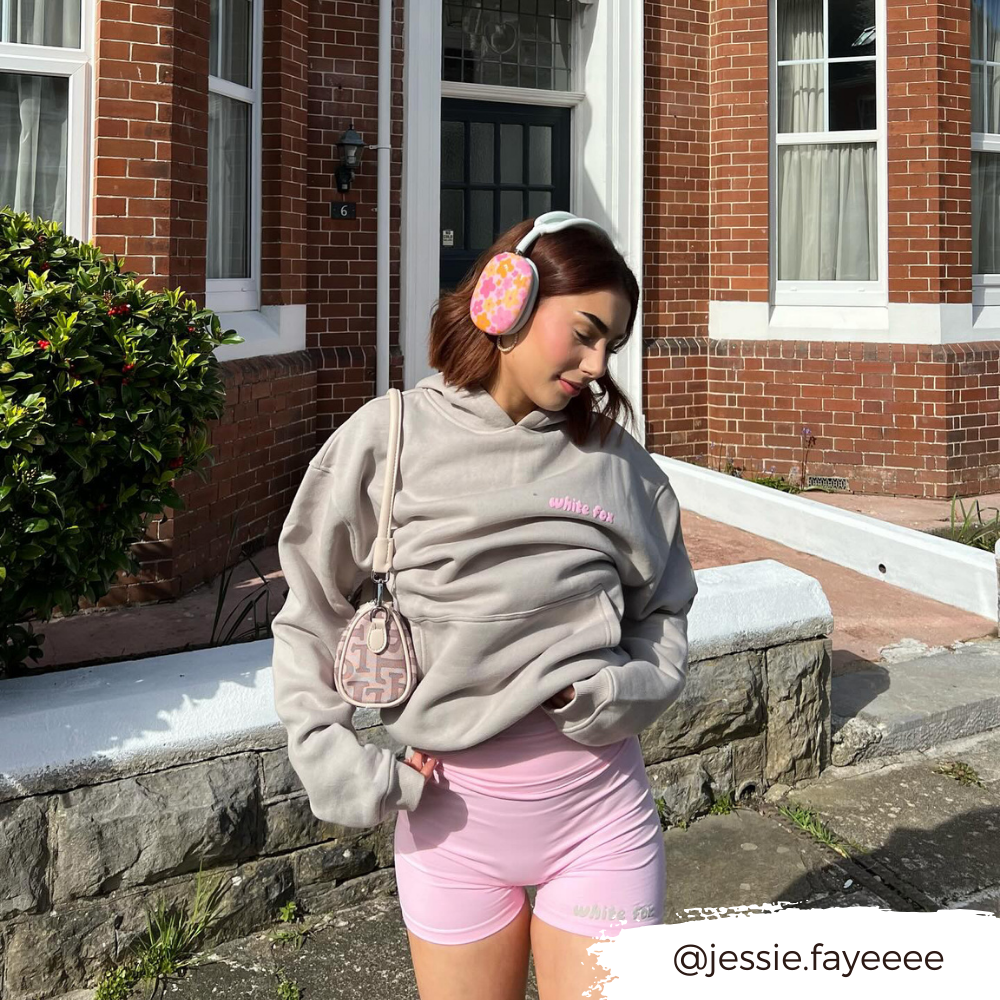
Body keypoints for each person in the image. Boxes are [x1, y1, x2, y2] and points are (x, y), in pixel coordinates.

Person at [271, 212, 699, 1000]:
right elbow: (312, 613)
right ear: (507, 299)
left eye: (611, 346)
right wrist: (341, 766)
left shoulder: (619, 465)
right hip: (450, 829)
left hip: (600, 819)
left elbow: (663, 615)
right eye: (586, 333)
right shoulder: (389, 437)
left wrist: (615, 690)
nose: (597, 365)